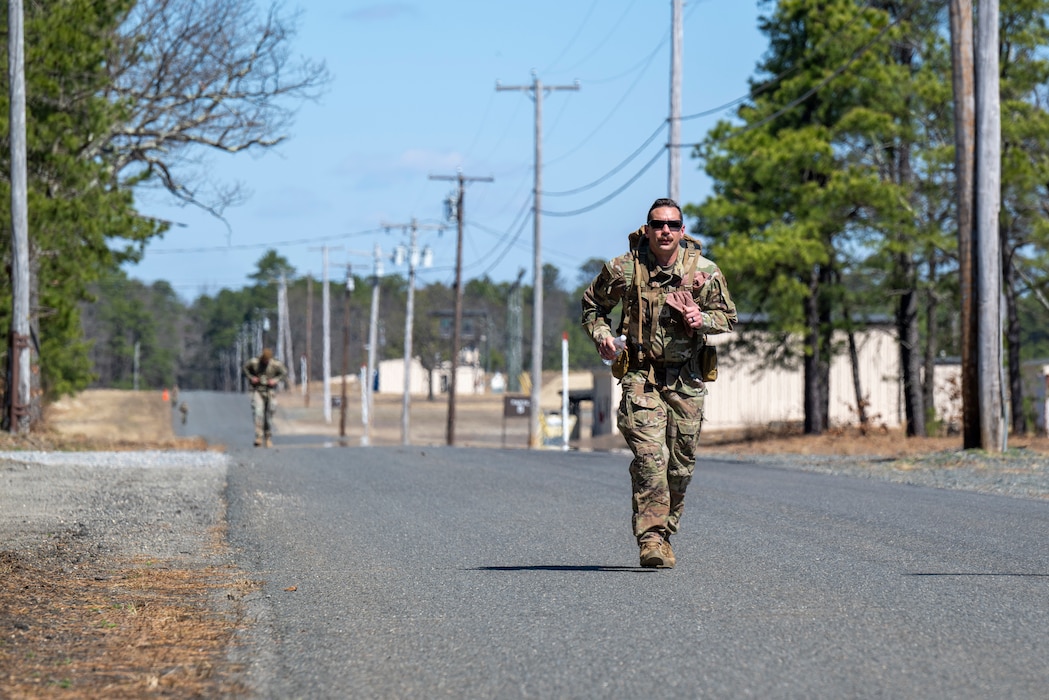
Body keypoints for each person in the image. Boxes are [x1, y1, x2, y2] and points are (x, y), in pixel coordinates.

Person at [581, 197, 737, 569]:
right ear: (647, 229)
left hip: (686, 378)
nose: (664, 230)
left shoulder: (706, 272)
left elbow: (728, 318)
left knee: (679, 467)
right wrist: (602, 334)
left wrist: (702, 319)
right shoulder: (623, 269)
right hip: (641, 376)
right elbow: (592, 306)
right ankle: (650, 539)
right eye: (657, 224)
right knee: (652, 458)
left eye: (672, 224)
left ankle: (665, 533)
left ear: (682, 231)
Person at [242, 348, 288, 447]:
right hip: (258, 390)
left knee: (270, 414)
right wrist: (251, 378)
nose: (266, 362)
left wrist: (275, 380)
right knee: (258, 413)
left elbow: (284, 373)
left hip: (270, 391)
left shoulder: (275, 364)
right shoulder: (254, 362)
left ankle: (268, 437)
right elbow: (245, 368)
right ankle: (259, 436)